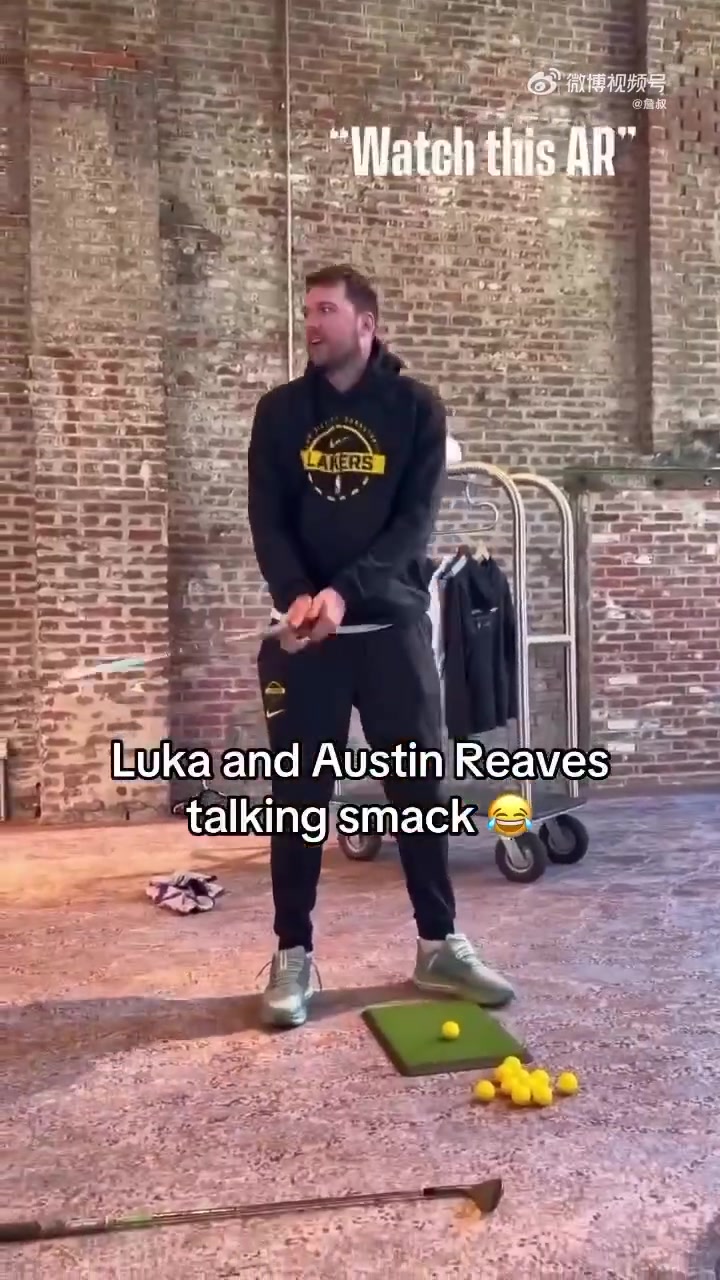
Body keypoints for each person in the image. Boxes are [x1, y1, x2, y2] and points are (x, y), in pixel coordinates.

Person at [247, 264, 514, 1028]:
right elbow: (268, 516)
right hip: (306, 639)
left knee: (419, 791)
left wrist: (344, 592)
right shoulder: (280, 412)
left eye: (326, 311)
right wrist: (298, 592)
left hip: (391, 629)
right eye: (308, 310)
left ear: (366, 324)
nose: (311, 323)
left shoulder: (415, 409)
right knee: (300, 798)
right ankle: (293, 955)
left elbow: (411, 527)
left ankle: (439, 944)